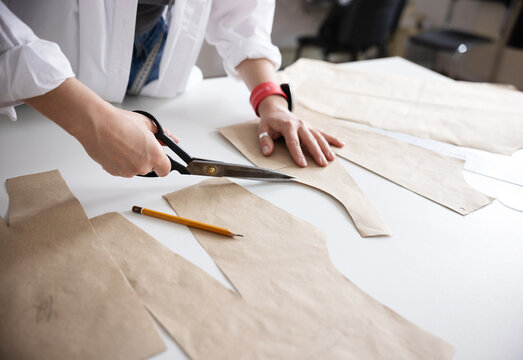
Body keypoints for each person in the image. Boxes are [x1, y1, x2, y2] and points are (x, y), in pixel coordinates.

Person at [0, 0, 344, 178]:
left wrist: (271, 100)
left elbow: (241, 14)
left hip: (165, 90)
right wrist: (91, 120)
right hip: (33, 110)